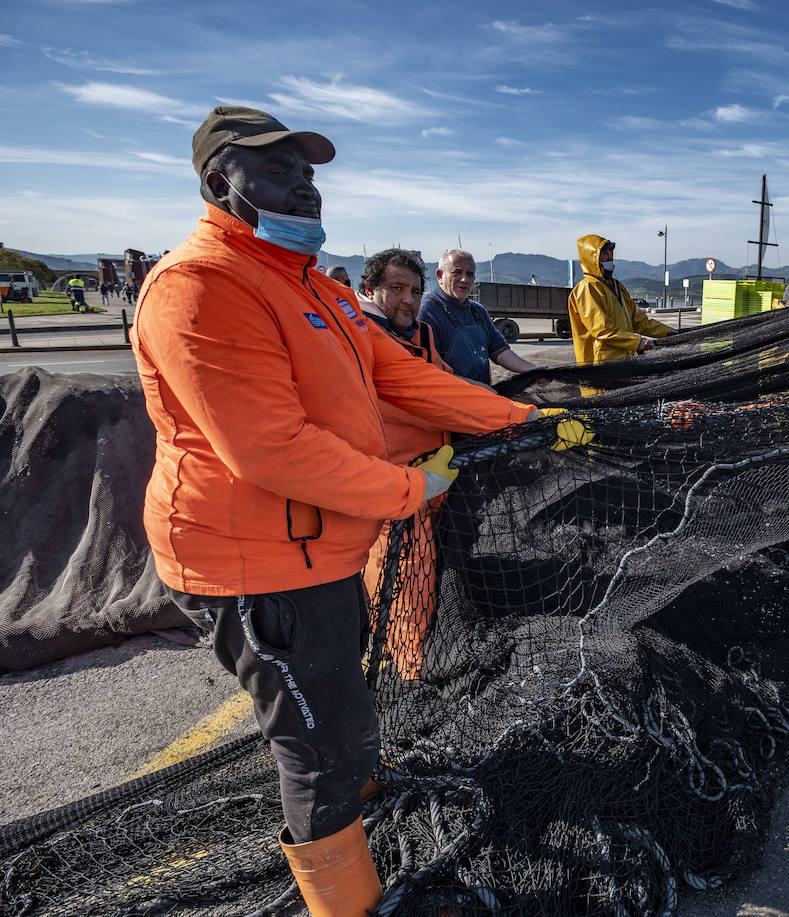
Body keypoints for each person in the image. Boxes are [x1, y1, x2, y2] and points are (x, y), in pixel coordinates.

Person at [131, 105, 551, 917]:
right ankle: (349, 905)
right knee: (318, 748)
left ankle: (360, 806)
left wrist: (521, 418)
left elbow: (402, 378)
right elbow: (271, 448)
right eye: (281, 170)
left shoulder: (311, 287)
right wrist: (407, 492)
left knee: (343, 713)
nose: (308, 186)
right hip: (250, 565)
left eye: (310, 170)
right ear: (222, 182)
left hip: (319, 554)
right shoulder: (199, 287)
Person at [356, 249, 453, 680]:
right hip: (397, 484)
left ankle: (395, 652)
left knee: (423, 576)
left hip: (437, 477)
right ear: (370, 291)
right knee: (403, 576)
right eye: (396, 289)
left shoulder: (423, 336)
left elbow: (449, 384)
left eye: (414, 291)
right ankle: (408, 672)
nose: (408, 300)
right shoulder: (361, 338)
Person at [418, 248, 543, 384]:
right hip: (448, 401)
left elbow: (500, 351)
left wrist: (532, 369)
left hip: (481, 397)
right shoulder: (427, 311)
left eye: (470, 274)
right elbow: (428, 371)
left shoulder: (478, 311)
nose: (464, 279)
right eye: (457, 272)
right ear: (440, 275)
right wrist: (474, 387)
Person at [568, 234, 670, 364]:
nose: (609, 257)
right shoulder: (587, 288)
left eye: (610, 252)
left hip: (625, 362)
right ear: (592, 258)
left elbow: (639, 321)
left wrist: (667, 331)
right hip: (601, 366)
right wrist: (637, 342)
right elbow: (602, 331)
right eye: (604, 253)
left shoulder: (617, 286)